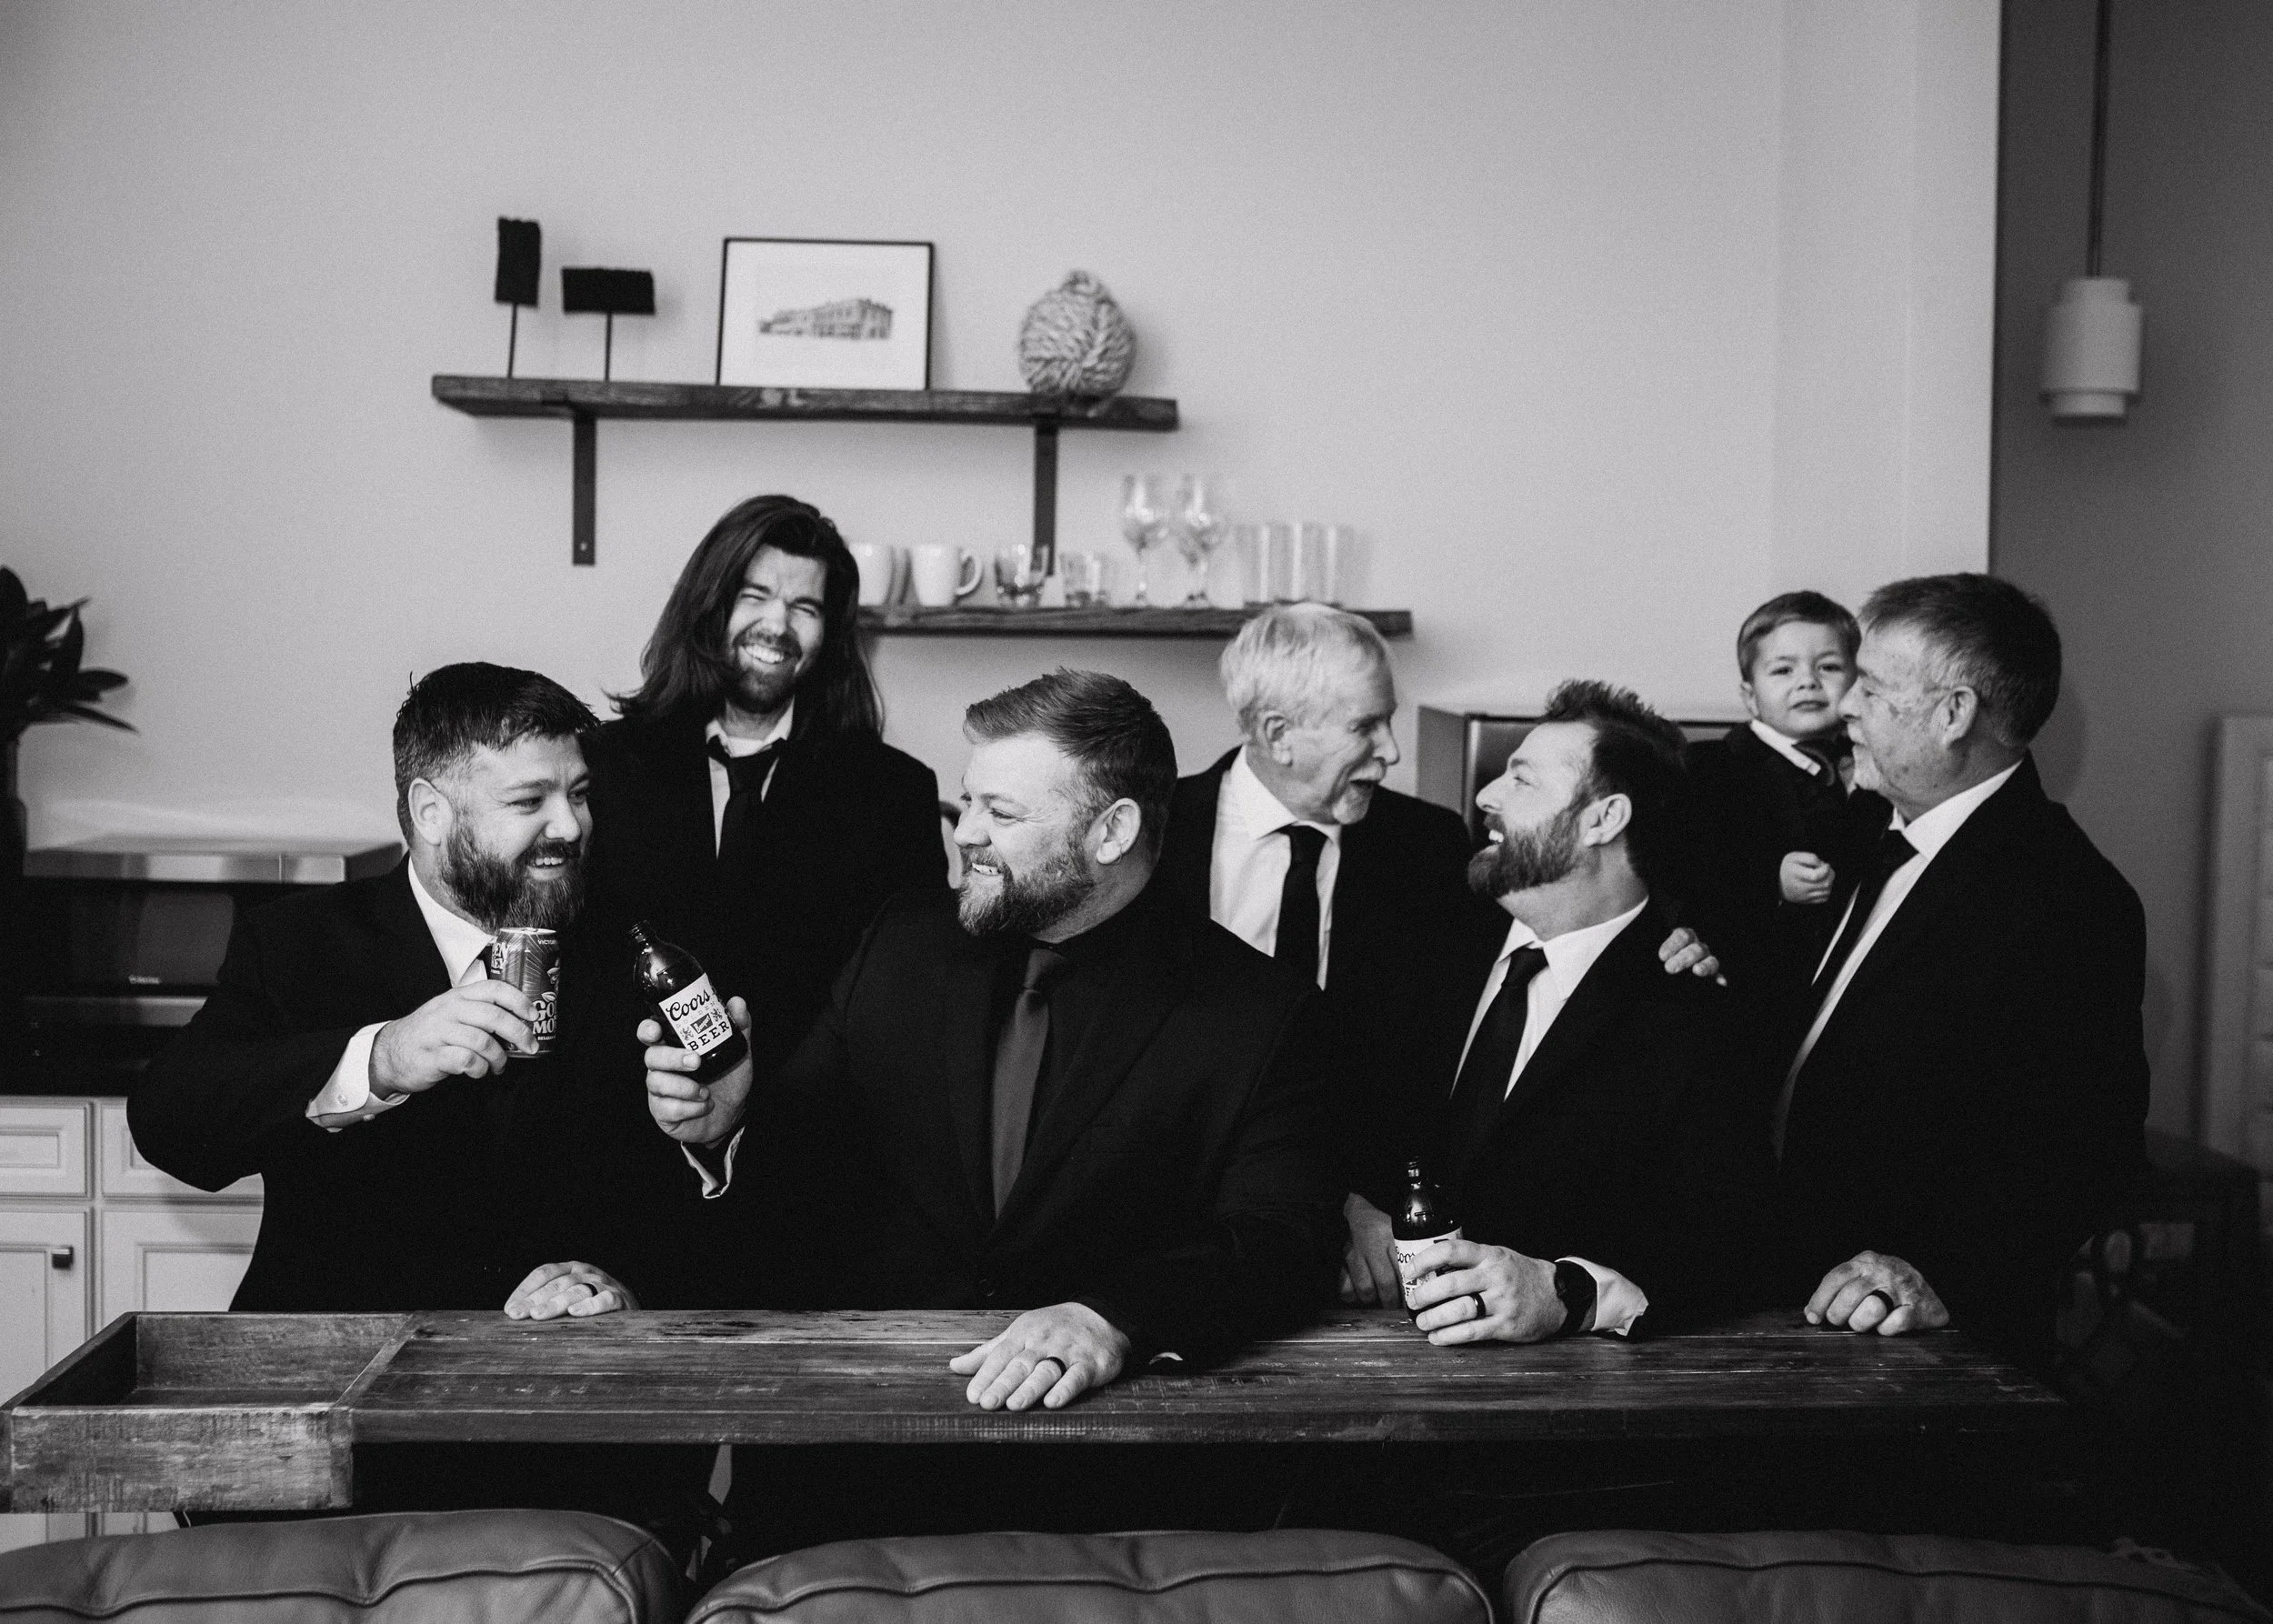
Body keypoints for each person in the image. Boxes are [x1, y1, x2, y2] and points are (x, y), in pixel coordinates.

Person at [641, 670, 1345, 1547]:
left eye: (1001, 813)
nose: (965, 831)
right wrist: (730, 1126)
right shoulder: (898, 944)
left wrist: (1112, 1319)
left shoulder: (1259, 1013)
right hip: (850, 1483)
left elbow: (1284, 1239)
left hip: (1108, 1501)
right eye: (967, 800)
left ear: (1113, 831)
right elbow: (802, 1174)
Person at [1157, 605, 1725, 1209]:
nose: (1392, 751)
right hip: (1179, 1188)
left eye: (1389, 720)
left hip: (1364, 1209)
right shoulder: (1157, 839)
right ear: (1278, 735)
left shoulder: (1428, 843)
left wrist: (1670, 935)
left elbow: (1572, 900)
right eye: (1365, 726)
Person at [132, 662, 641, 1318]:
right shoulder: (299, 943)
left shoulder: (628, 948)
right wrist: (381, 1059)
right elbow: (169, 1122)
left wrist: (623, 1285)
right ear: (431, 813)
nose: (570, 826)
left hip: (550, 1368)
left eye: (578, 794)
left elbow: (671, 1200)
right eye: (529, 801)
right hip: (337, 1354)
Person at [1767, 574, 2148, 1368]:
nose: (1845, 707)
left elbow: (2085, 1145)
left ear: (1953, 715)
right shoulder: (1866, 824)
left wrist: (1938, 1274)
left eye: (1872, 688)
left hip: (1913, 1345)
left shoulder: (2070, 898)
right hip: (1787, 1292)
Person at [1344, 680, 1766, 1339]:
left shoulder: (1696, 1012)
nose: (1486, 796)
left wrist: (1567, 1290)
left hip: (1562, 1385)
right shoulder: (1424, 936)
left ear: (1604, 818)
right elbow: (1329, 1098)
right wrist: (1347, 1204)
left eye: (1522, 779)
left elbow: (1722, 1246)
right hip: (1352, 1348)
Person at [584, 494, 946, 1083]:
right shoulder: (601, 765)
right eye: (754, 596)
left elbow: (906, 998)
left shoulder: (896, 793)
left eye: (804, 607)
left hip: (807, 1119)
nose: (777, 626)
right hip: (622, 1113)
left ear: (831, 632)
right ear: (709, 605)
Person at [1682, 591, 1891, 990]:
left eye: (1829, 667)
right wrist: (1771, 881)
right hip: (1752, 975)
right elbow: (1692, 865)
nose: (1808, 682)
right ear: (1750, 697)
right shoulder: (1710, 768)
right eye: (1782, 671)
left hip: (1850, 970)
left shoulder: (1877, 763)